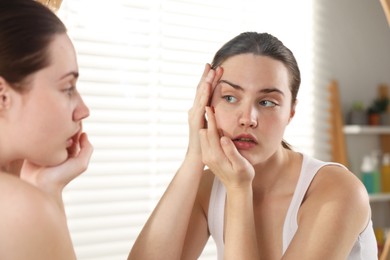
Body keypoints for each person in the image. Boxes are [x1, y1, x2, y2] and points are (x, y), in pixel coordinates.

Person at [129, 32, 378, 259]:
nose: (248, 118)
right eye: (229, 97)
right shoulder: (208, 188)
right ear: (206, 104)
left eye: (267, 102)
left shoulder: (337, 191)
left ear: (291, 112)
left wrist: (239, 190)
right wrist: (195, 155)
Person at [0, 0, 93, 259]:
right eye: (67, 88)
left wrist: (48, 188)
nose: (83, 110)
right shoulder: (19, 210)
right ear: (2, 96)